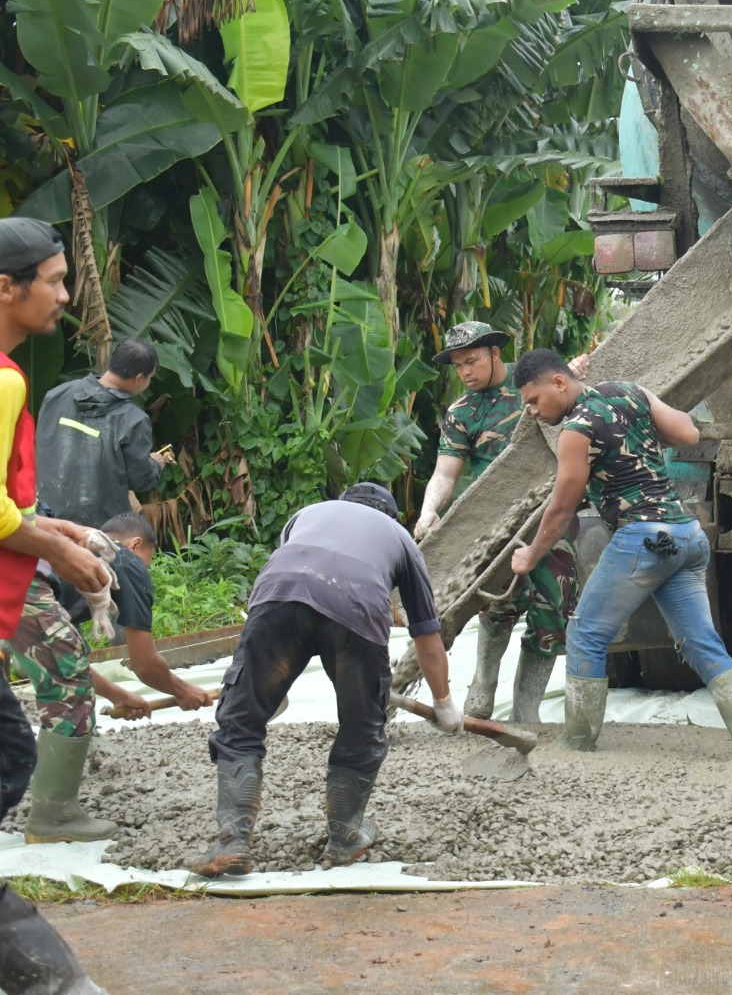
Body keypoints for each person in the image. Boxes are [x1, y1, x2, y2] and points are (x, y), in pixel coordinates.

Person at [508, 350, 732, 764]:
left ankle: (577, 744)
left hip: (642, 538)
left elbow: (562, 510)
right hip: (686, 535)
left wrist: (530, 556)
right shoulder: (629, 393)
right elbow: (688, 434)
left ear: (559, 383)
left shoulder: (575, 431)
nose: (531, 411)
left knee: (585, 634)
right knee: (700, 642)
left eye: (533, 400)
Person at [190, 484, 464, 876]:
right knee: (361, 727)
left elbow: (283, 585)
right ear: (388, 516)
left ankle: (232, 841)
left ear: (342, 505)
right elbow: (426, 635)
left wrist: (258, 683)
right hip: (356, 606)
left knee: (241, 720)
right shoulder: (401, 539)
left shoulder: (307, 515)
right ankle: (344, 836)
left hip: (276, 602)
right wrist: (443, 702)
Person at [0, 216, 110, 993]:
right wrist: (58, 549)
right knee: (12, 755)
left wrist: (50, 525)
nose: (67, 296)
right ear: (6, 287)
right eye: (56, 280)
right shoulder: (4, 378)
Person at [413, 321, 578, 724]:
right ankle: (481, 696)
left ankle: (527, 714)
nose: (466, 371)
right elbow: (446, 473)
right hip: (495, 525)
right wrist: (429, 509)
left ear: (494, 353)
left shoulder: (531, 388)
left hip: (551, 514)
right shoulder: (462, 412)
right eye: (457, 366)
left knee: (553, 612)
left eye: (472, 360)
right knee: (497, 605)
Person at [53, 512, 213, 711]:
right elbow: (145, 665)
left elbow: (65, 660)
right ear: (134, 545)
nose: (144, 568)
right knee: (73, 716)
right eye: (147, 563)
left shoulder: (75, 549)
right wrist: (184, 691)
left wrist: (117, 695)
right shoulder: (125, 560)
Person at [37, 336, 173, 528]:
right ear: (139, 378)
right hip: (95, 531)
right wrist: (156, 464)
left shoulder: (57, 394)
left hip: (43, 517)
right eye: (149, 378)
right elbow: (141, 480)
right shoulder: (133, 420)